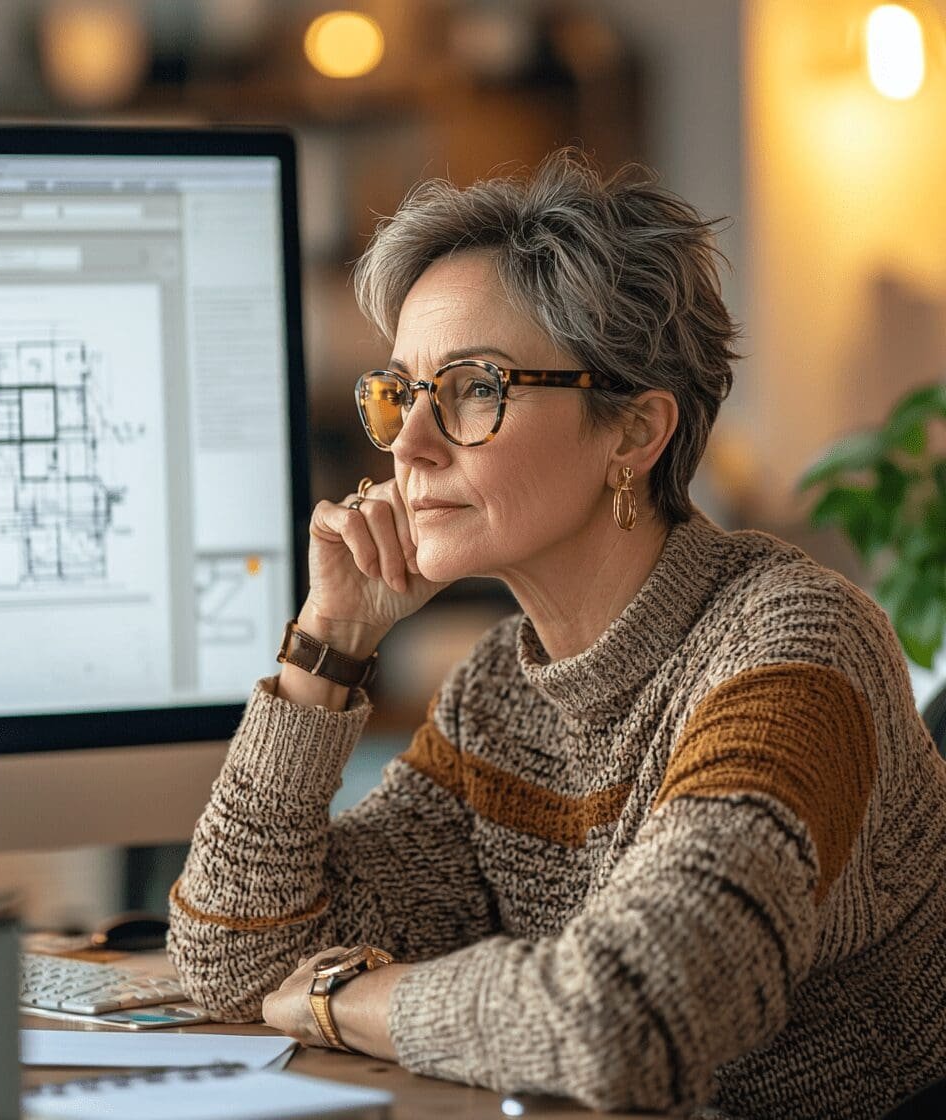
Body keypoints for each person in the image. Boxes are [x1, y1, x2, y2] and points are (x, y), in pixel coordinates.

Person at [167, 151, 946, 1119]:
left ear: (633, 432)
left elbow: (632, 1014)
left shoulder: (794, 649)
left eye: (472, 388)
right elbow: (236, 955)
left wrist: (342, 997)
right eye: (399, 392)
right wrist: (328, 646)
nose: (409, 444)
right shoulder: (501, 688)